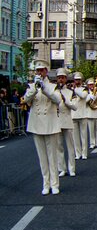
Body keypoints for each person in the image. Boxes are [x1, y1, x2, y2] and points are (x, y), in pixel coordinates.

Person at [23, 60, 62, 195]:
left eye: (42, 70)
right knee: (42, 157)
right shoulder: (31, 86)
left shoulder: (52, 86)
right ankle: (46, 183)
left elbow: (57, 100)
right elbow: (26, 100)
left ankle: (55, 184)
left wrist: (44, 88)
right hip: (37, 124)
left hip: (50, 124)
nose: (39, 72)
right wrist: (35, 87)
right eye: (38, 70)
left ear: (46, 71)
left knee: (52, 156)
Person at [54, 69, 78, 178]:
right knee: (59, 146)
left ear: (66, 79)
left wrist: (65, 100)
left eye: (63, 77)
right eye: (59, 78)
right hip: (57, 120)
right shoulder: (53, 91)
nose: (61, 79)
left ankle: (72, 168)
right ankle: (62, 169)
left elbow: (75, 106)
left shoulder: (70, 91)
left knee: (70, 146)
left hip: (67, 120)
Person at [69, 72, 88, 161]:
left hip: (83, 114)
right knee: (75, 137)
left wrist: (75, 89)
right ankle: (78, 153)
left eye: (79, 80)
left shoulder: (84, 89)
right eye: (76, 80)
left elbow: (83, 96)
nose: (77, 81)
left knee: (83, 135)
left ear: (81, 80)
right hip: (73, 115)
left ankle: (84, 153)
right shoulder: (70, 90)